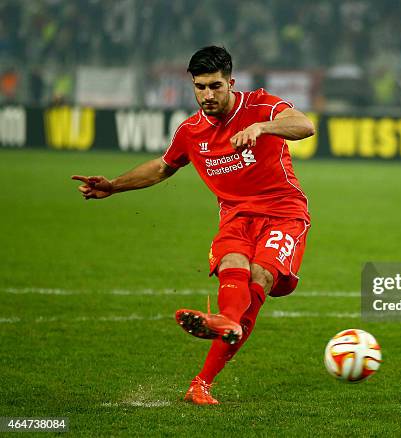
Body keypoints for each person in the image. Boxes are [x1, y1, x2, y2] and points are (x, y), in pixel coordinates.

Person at [72, 46, 315, 405]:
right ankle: (205, 372)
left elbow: (305, 125)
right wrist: (113, 186)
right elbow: (161, 168)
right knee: (234, 268)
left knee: (259, 277)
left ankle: (209, 362)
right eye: (199, 87)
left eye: (215, 86)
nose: (207, 95)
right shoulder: (191, 132)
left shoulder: (262, 105)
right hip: (235, 217)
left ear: (231, 83)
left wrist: (262, 128)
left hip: (284, 214)